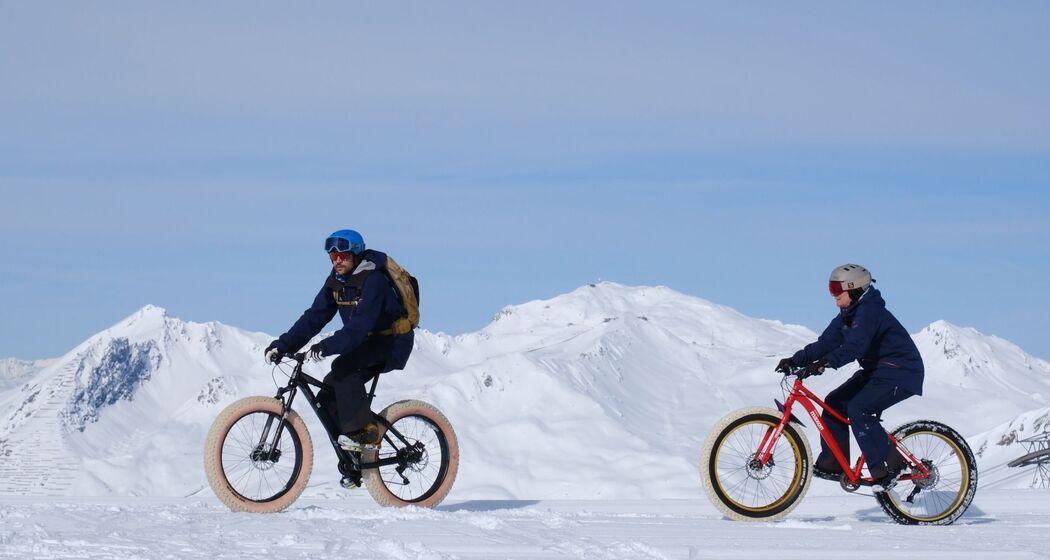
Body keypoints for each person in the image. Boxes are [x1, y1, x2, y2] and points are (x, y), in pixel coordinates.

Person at [775, 264, 924, 488]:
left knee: (859, 409)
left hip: (900, 372)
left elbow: (855, 347)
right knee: (835, 402)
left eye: (837, 289)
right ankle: (834, 463)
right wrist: (795, 361)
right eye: (831, 288)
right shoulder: (848, 314)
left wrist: (825, 363)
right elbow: (825, 343)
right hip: (877, 371)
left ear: (854, 289)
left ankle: (889, 465)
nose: (833, 295)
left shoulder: (869, 312)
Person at [264, 229, 414, 451]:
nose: (337, 261)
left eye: (342, 256)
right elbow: (315, 317)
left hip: (392, 342)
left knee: (343, 366)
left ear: (355, 254)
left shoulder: (374, 281)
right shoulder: (337, 282)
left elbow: (358, 329)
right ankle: (354, 460)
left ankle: (365, 433)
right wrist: (283, 345)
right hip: (366, 342)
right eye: (333, 257)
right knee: (328, 393)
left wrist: (325, 347)